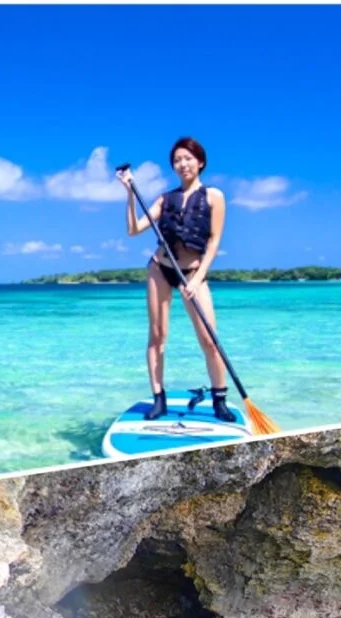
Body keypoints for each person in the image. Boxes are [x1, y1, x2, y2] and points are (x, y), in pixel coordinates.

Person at [118, 137, 232, 422]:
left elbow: (215, 241)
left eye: (187, 158)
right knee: (157, 337)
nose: (182, 164)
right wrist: (130, 192)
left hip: (194, 272)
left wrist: (198, 278)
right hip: (161, 268)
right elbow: (134, 229)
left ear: (200, 161)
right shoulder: (164, 199)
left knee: (209, 340)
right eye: (177, 160)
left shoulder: (214, 196)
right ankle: (159, 398)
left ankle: (220, 399)